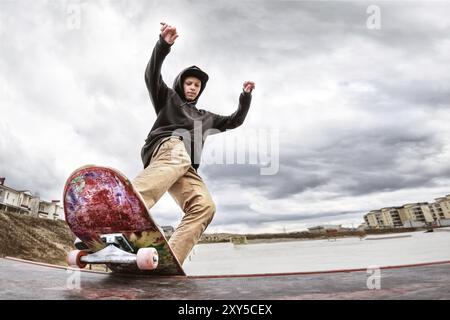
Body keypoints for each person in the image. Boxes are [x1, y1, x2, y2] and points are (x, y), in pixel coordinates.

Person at [132, 22, 255, 265]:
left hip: (185, 168)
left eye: (197, 85)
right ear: (182, 84)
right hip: (165, 149)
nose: (192, 88)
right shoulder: (168, 98)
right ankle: (124, 209)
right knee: (179, 155)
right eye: (189, 83)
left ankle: (170, 262)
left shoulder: (205, 117)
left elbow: (235, 121)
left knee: (205, 206)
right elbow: (151, 75)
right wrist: (163, 45)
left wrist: (245, 97)